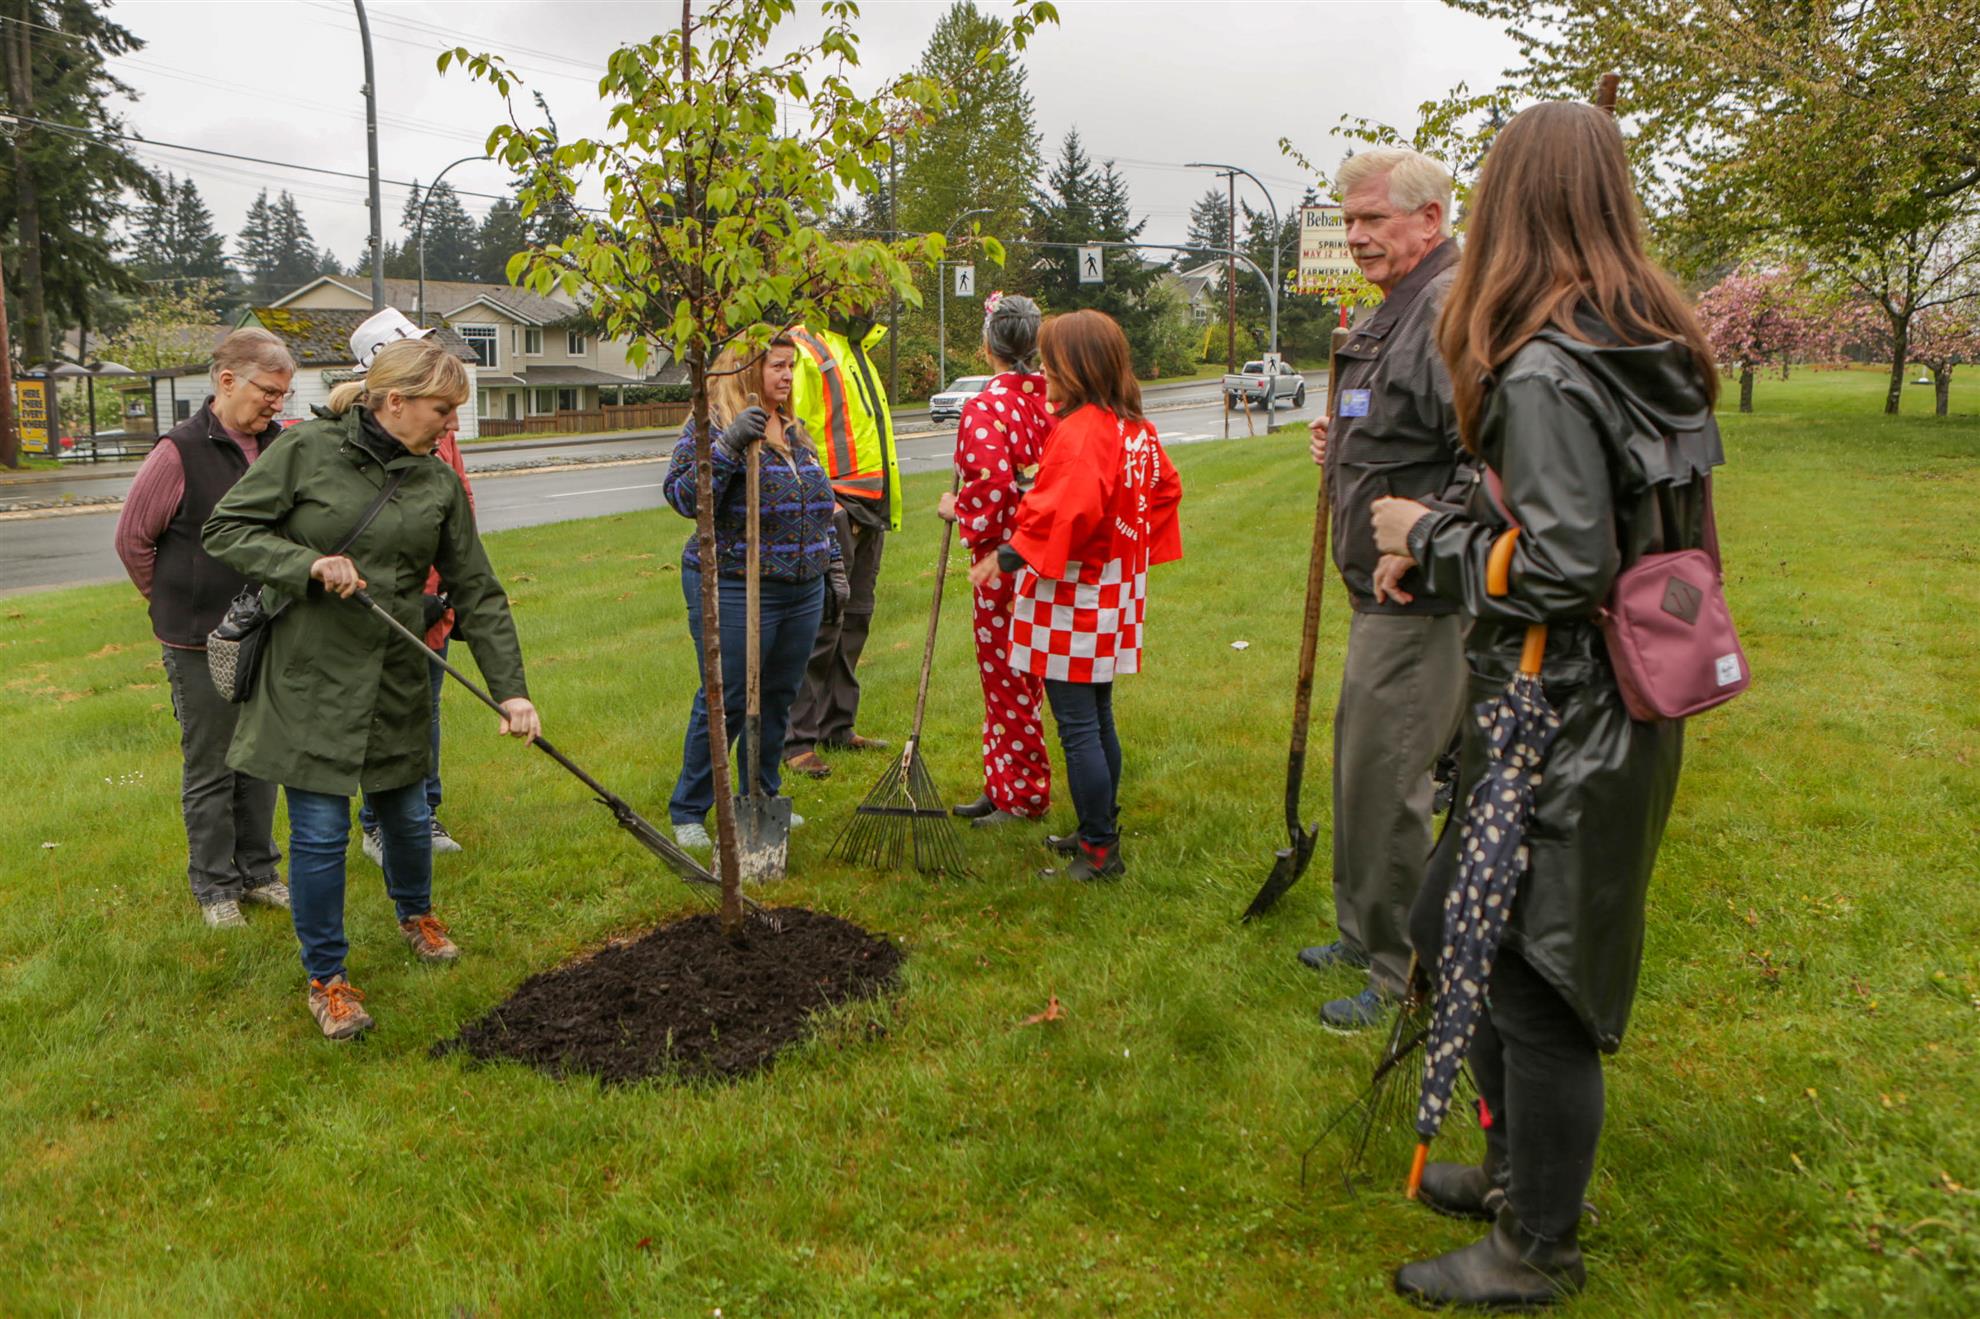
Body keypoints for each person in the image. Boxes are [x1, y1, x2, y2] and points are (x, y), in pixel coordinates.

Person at [1370, 101, 1723, 1308]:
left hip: (1560, 715)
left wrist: (1433, 537)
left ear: (1505, 205)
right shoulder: (1644, 339)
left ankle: (1538, 1246)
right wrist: (1471, 528)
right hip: (1610, 701)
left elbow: (1568, 567)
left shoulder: (1547, 363)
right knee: (1452, 924)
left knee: (1534, 976)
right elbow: (1607, 528)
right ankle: (1515, 1171)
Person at [203, 335, 539, 1041]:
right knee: (321, 835)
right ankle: (327, 979)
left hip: (395, 674)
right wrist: (307, 562)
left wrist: (511, 690)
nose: (452, 424)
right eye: (443, 409)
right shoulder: (304, 451)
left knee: (408, 817)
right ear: (395, 401)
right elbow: (227, 529)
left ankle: (414, 913)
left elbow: (476, 588)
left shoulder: (437, 480)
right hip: (310, 676)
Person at [1301, 146, 1474, 1031]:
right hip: (1379, 591)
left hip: (1420, 596)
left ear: (1431, 219)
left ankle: (1399, 967)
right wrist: (1349, 438)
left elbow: (1484, 458)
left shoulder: (1447, 311)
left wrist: (1427, 537)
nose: (1356, 235)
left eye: (1373, 218)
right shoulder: (1397, 310)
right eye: (1350, 219)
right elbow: (1404, 425)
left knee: (1391, 775)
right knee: (1361, 767)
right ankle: (1361, 926)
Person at [972, 309, 1182, 882]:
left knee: (1077, 723)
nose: (1043, 370)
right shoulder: (1132, 425)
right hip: (1113, 586)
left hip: (1076, 592)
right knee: (1097, 711)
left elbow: (1065, 507)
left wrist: (1006, 556)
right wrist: (1122, 544)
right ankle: (1098, 824)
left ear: (1077, 365)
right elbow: (1163, 490)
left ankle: (1099, 848)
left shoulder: (1083, 428)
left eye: (1050, 359)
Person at [114, 328, 297, 929]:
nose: (277, 403)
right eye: (269, 391)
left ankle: (261, 871)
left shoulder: (280, 445)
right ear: (227, 381)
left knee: (260, 758)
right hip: (198, 641)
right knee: (213, 764)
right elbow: (134, 540)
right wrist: (175, 600)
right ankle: (216, 887)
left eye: (283, 394)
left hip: (266, 632)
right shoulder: (178, 451)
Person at [661, 333, 846, 848]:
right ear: (746, 371)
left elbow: (818, 504)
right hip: (737, 584)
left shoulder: (794, 428)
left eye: (791, 367)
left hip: (800, 587)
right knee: (729, 696)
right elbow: (682, 497)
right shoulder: (712, 425)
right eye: (778, 367)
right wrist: (726, 448)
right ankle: (690, 811)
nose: (788, 377)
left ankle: (761, 795)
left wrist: (831, 565)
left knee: (780, 696)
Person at [939, 292, 1055, 828]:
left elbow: (989, 488)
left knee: (1007, 678)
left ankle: (1023, 795)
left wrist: (958, 512)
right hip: (1050, 556)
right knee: (1023, 675)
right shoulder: (1054, 399)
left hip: (1005, 565)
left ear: (989, 346)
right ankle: (1002, 780)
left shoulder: (987, 406)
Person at [781, 307, 901, 778]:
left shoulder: (857, 350)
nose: (870, 300)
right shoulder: (806, 348)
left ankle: (837, 724)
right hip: (836, 506)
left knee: (854, 622)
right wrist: (823, 501)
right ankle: (797, 739)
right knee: (822, 625)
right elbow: (792, 429)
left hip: (870, 507)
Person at [359, 413, 474, 865]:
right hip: (381, 608)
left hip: (433, 603)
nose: (452, 423)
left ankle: (424, 813)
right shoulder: (369, 436)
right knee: (384, 715)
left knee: (426, 709)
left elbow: (461, 500)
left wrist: (450, 586)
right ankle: (377, 825)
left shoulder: (440, 435)